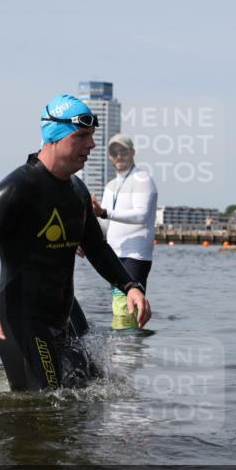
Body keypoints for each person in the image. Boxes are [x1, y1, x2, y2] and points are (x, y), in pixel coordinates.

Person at [0, 93, 151, 391]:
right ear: (55, 136)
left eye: (92, 136)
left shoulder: (77, 192)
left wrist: (130, 286)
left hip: (64, 317)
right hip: (22, 321)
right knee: (44, 406)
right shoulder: (16, 189)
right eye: (82, 136)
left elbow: (97, 249)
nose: (92, 145)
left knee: (93, 393)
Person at [91, 133, 158, 330]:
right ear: (110, 157)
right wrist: (85, 242)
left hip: (135, 255)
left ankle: (128, 353)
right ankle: (124, 351)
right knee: (119, 304)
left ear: (133, 153)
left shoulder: (142, 179)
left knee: (125, 304)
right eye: (114, 152)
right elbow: (105, 226)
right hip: (114, 254)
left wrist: (103, 212)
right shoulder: (111, 186)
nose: (119, 156)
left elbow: (141, 216)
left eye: (123, 151)